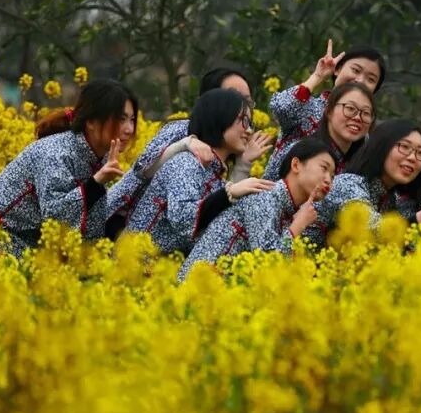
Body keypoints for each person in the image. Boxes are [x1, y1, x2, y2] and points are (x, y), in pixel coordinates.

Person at [0, 79, 138, 257]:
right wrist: (96, 182)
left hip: (27, 242)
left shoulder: (101, 158)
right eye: (121, 119)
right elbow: (54, 216)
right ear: (91, 121)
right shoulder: (56, 153)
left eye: (132, 120)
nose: (129, 129)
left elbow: (89, 222)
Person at [106, 66, 272, 228]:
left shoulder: (219, 157)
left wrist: (243, 164)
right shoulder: (183, 133)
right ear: (215, 103)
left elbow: (218, 213)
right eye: (233, 96)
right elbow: (142, 170)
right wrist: (184, 144)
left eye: (248, 100)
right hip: (115, 217)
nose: (242, 104)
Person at [125, 88, 273, 255]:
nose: (249, 131)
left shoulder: (213, 174)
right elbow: (185, 220)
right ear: (219, 117)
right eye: (243, 121)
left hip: (162, 273)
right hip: (134, 266)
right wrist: (229, 192)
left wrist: (243, 164)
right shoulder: (187, 163)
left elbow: (217, 227)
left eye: (251, 123)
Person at [178, 137, 336, 281]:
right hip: (196, 292)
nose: (328, 180)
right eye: (324, 168)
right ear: (296, 165)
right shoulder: (265, 198)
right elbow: (268, 261)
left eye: (333, 175)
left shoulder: (287, 210)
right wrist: (297, 226)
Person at [303, 119, 421, 248]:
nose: (412, 158)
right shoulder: (347, 184)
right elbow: (373, 230)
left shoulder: (391, 200)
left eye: (420, 153)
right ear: (383, 146)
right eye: (405, 147)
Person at [266, 40, 385, 176]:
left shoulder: (363, 135)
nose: (360, 80)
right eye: (356, 70)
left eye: (371, 79)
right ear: (338, 69)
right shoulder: (308, 106)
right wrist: (317, 77)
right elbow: (279, 107)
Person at [265, 82, 375, 179]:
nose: (357, 117)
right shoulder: (303, 152)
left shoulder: (362, 166)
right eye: (350, 108)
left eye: (366, 113)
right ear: (329, 111)